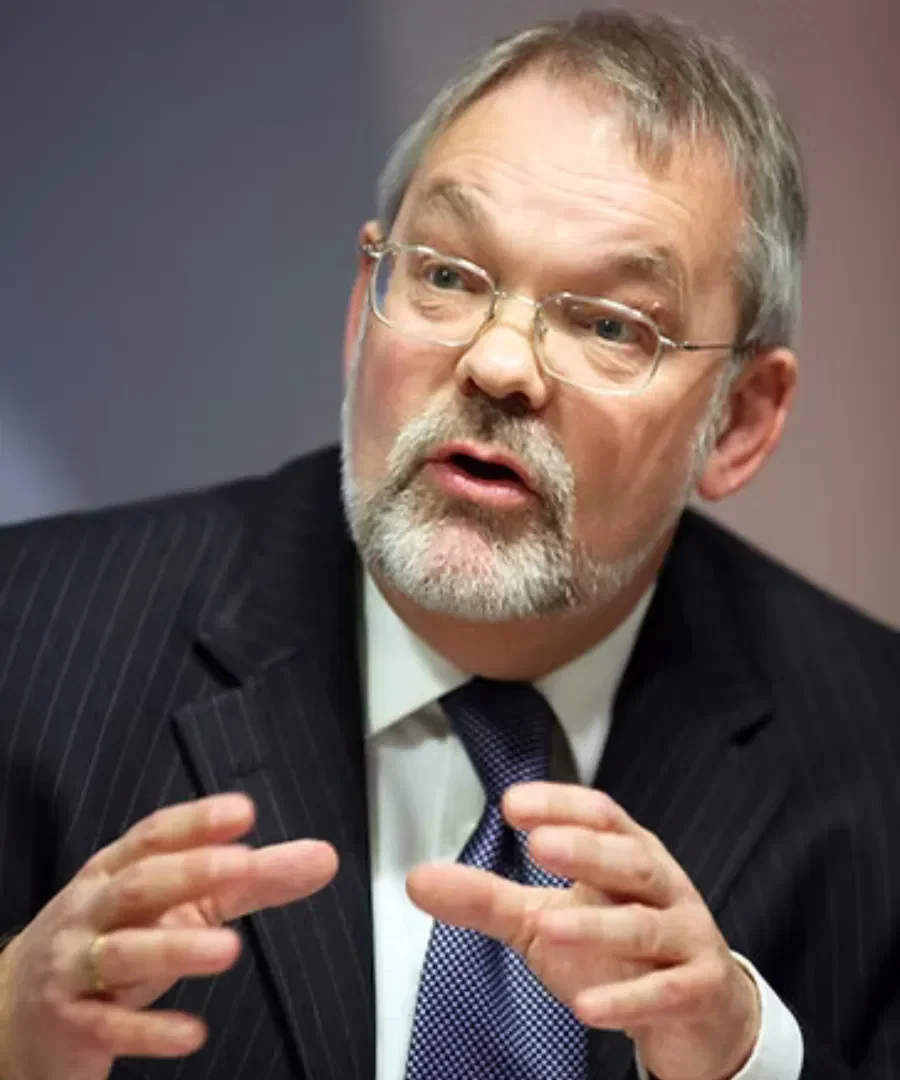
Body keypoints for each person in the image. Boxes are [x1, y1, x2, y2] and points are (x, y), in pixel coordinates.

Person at [0, 9, 898, 1080]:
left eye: (610, 324)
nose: (500, 364)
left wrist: (749, 1059)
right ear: (362, 309)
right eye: (448, 276)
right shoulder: (30, 642)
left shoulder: (877, 753)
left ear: (740, 420)